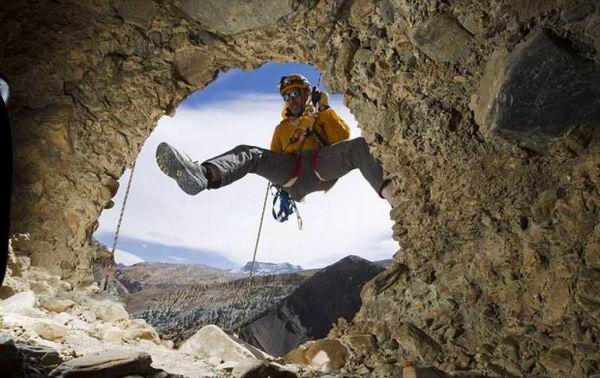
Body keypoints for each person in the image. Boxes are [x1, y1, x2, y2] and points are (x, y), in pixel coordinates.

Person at [156, 74, 393, 204]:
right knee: (249, 153)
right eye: (286, 96)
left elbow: (342, 137)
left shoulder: (321, 115)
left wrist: (324, 110)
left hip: (321, 167)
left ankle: (395, 199)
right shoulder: (281, 129)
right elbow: (273, 157)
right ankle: (204, 175)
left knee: (360, 147)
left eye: (295, 93)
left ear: (306, 93)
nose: (290, 99)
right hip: (293, 174)